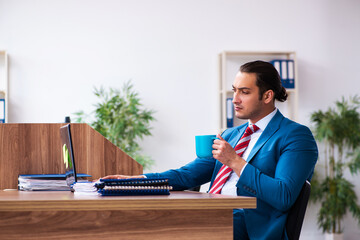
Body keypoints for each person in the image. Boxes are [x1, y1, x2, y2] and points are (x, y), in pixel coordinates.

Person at [102, 60, 318, 240]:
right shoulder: (231, 135)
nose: (235, 99)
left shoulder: (295, 135)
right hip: (212, 213)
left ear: (267, 96)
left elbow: (284, 195)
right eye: (235, 91)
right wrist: (134, 180)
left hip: (251, 226)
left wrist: (235, 161)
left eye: (244, 92)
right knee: (143, 221)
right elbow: (187, 175)